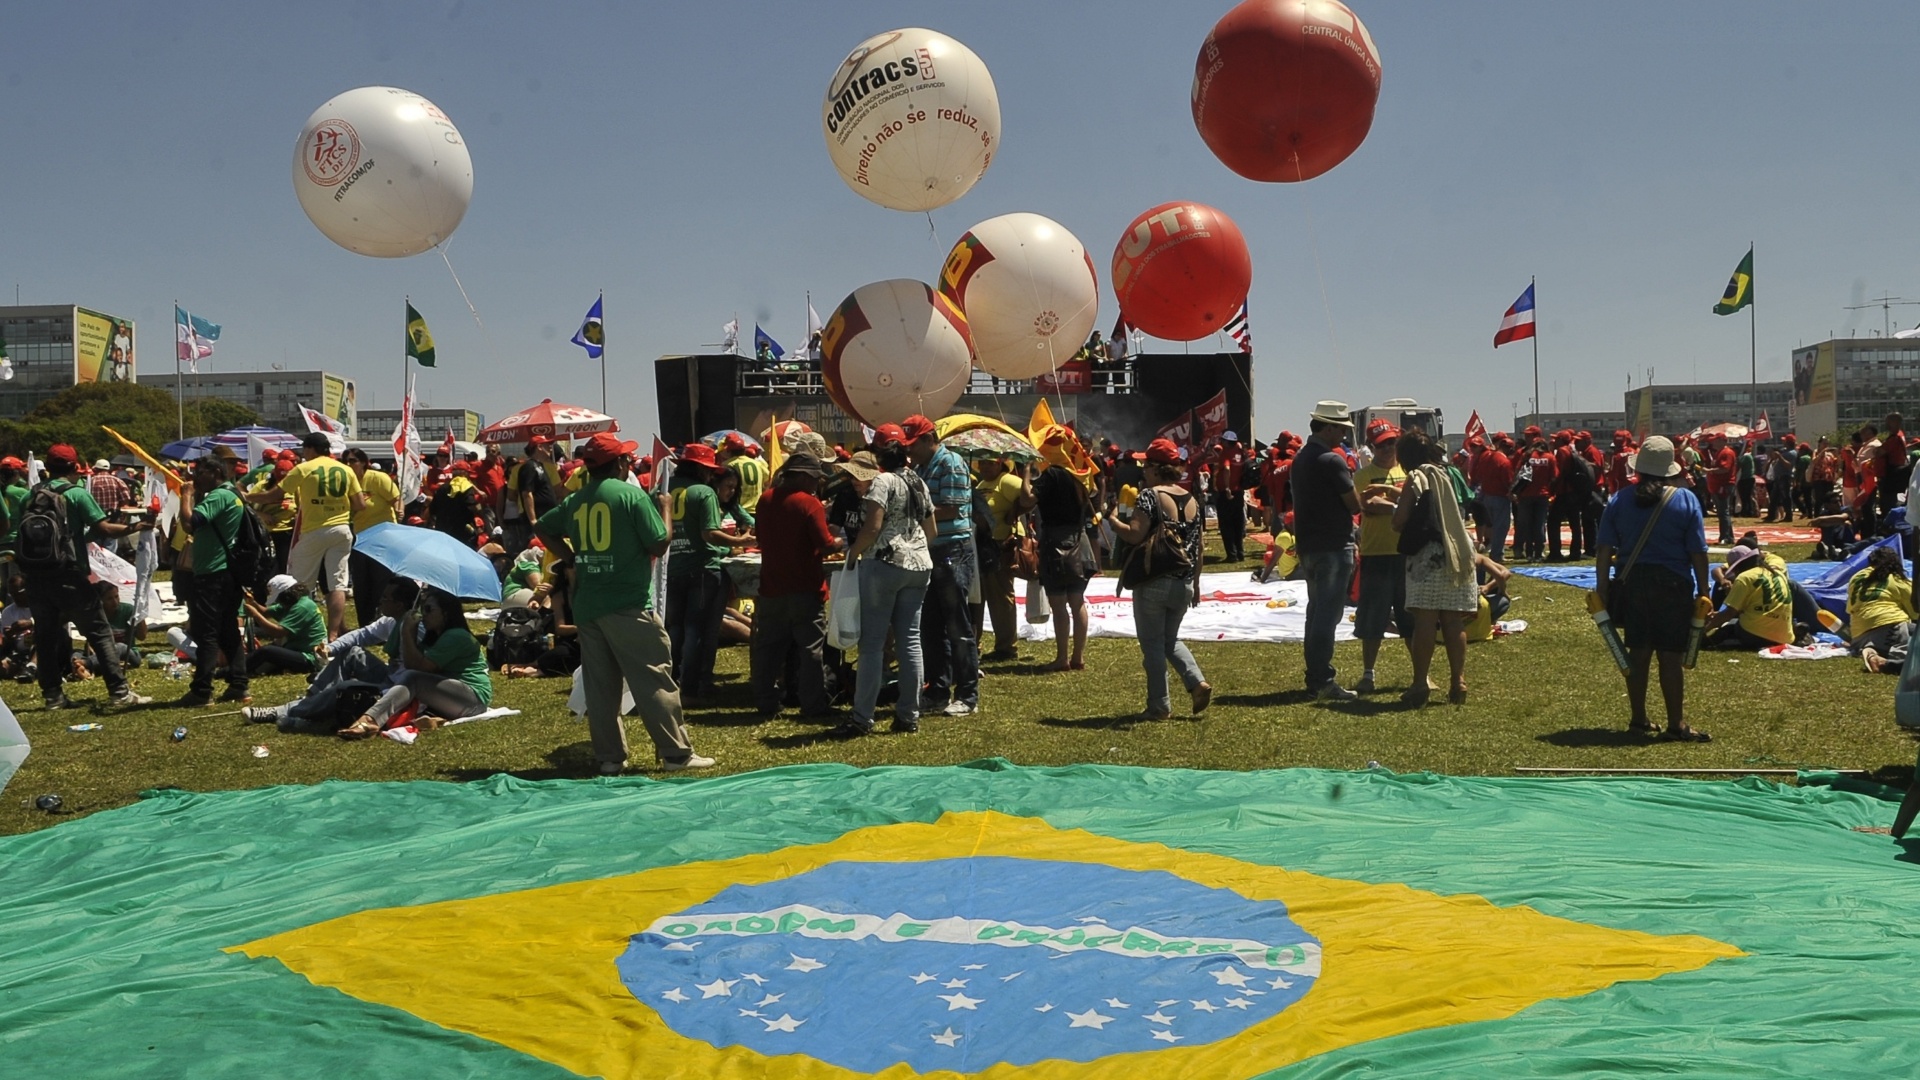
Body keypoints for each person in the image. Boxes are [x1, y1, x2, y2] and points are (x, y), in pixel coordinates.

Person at [535, 432, 711, 772]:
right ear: (618, 464)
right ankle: (676, 754)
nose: (629, 462)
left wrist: (570, 557)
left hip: (589, 604)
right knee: (653, 678)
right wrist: (666, 509)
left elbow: (542, 527)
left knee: (601, 688)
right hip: (628, 602)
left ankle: (609, 758)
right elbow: (660, 544)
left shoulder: (576, 500)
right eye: (626, 459)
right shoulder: (631, 496)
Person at [1594, 435, 1713, 741]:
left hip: (1633, 584)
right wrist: (1704, 589)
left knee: (1639, 653)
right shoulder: (1686, 500)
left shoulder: (1619, 500)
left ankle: (1638, 720)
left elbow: (1605, 548)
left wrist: (1603, 589)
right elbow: (1698, 552)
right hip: (1674, 584)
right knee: (1671, 657)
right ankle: (1676, 724)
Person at [21, 443, 153, 708]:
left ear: (48, 467)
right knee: (100, 632)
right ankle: (119, 692)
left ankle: (53, 696)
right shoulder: (76, 494)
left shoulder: (29, 496)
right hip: (69, 575)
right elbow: (104, 528)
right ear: (73, 468)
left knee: (46, 637)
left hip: (36, 576)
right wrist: (136, 526)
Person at [831, 441, 936, 737]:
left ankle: (862, 717)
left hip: (885, 562)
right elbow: (932, 530)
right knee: (910, 641)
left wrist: (853, 553)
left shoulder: (882, 481)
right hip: (919, 564)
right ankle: (908, 715)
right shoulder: (919, 482)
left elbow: (873, 526)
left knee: (872, 645)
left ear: (879, 461)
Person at [244, 578, 420, 733]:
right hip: (390, 675)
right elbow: (361, 635)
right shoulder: (391, 621)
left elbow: (417, 672)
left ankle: (283, 710)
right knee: (352, 652)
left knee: (345, 688)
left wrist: (407, 633)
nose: (380, 601)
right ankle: (311, 699)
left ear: (399, 605)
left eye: (385, 598)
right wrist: (329, 648)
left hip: (398, 689)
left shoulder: (416, 629)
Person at [1114, 438, 1210, 720]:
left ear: (1156, 469)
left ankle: (1159, 705)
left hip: (1154, 579)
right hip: (1184, 582)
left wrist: (1111, 521)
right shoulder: (1192, 498)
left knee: (1153, 645)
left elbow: (1134, 534)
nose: (1142, 470)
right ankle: (1196, 681)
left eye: (1145, 465)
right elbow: (1200, 546)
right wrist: (1197, 584)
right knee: (1170, 639)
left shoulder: (1149, 496)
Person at [1390, 428, 1479, 706]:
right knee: (1453, 620)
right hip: (1458, 550)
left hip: (1428, 555)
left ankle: (1419, 684)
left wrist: (1393, 511)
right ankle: (1458, 681)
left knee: (1425, 620)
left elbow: (1400, 520)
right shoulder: (1452, 473)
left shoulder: (1417, 476)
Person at [750, 452, 841, 716]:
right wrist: (837, 542)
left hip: (772, 587)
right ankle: (813, 705)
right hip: (805, 587)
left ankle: (766, 703)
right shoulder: (809, 503)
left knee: (768, 650)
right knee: (811, 650)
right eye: (815, 478)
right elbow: (824, 545)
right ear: (802, 476)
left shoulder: (765, 499)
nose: (817, 484)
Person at [338, 586, 493, 739]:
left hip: (473, 700)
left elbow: (418, 667)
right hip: (449, 695)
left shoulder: (456, 635)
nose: (423, 615)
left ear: (445, 613)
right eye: (422, 609)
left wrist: (407, 632)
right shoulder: (434, 635)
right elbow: (410, 662)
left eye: (429, 610)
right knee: (348, 686)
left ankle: (370, 720)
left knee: (414, 678)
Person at [664, 441, 752, 701]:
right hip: (703, 568)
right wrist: (740, 542)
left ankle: (670, 682)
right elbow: (709, 533)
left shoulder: (663, 489)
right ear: (701, 470)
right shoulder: (703, 492)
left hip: (672, 568)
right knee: (697, 631)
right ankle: (691, 687)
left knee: (674, 628)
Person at [904, 413, 979, 716]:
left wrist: (913, 510)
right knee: (930, 626)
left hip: (952, 550)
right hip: (931, 550)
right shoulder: (922, 466)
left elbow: (951, 508)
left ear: (928, 439)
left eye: (913, 444)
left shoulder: (951, 463)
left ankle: (968, 695)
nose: (909, 450)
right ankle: (937, 690)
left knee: (958, 626)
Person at [1291, 401, 1361, 700]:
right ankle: (1322, 678)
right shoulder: (1332, 460)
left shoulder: (1301, 458)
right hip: (1333, 544)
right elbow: (1353, 503)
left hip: (1309, 544)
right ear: (1328, 427)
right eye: (1342, 428)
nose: (1344, 433)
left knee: (1315, 611)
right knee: (1327, 615)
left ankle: (1316, 676)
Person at [269, 432, 366, 639]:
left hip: (314, 530)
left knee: (299, 584)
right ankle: (332, 634)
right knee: (337, 584)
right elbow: (360, 504)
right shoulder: (345, 469)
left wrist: (248, 496)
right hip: (341, 529)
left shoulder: (304, 468)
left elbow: (276, 494)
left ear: (310, 449)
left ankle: (299, 630)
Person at [174, 453, 252, 706]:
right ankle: (239, 683)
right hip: (227, 572)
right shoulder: (234, 494)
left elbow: (190, 523)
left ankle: (202, 690)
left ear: (216, 473)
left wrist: (185, 495)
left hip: (213, 574)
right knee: (228, 629)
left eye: (201, 472)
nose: (195, 477)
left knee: (205, 630)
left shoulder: (220, 496)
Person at [1353, 419, 1409, 694]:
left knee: (1411, 617)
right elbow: (1368, 505)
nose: (1388, 448)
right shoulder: (1363, 475)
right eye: (1382, 444)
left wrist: (1390, 503)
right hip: (1376, 553)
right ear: (1371, 446)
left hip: (1408, 554)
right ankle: (1368, 674)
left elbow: (1420, 503)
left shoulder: (1409, 471)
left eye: (1392, 442)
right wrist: (1402, 506)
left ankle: (1420, 674)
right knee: (1373, 619)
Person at [1032, 446, 1097, 672]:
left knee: (1059, 603)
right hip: (1080, 541)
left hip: (1056, 543)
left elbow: (1027, 498)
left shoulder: (1052, 474)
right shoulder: (1079, 474)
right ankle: (1078, 657)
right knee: (1077, 601)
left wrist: (1024, 474)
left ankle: (1062, 658)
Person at [972, 457, 1031, 660]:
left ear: (1001, 464)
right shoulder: (981, 484)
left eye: (991, 462)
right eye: (983, 463)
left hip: (1001, 546)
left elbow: (1029, 498)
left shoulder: (1006, 480)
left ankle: (1006, 648)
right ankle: (974, 645)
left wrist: (1013, 514)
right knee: (977, 599)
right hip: (982, 545)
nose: (985, 466)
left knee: (1000, 599)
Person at [344, 448, 401, 626]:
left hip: (383, 537)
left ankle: (383, 622)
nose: (348, 464)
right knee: (361, 583)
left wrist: (400, 511)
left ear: (363, 462)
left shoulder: (378, 478)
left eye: (352, 460)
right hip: (360, 538)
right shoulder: (346, 481)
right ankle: (365, 622)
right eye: (345, 461)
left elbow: (396, 499)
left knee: (381, 581)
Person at [1846, 545, 1914, 673]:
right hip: (1890, 629)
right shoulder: (1897, 580)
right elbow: (1915, 611)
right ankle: (1886, 663)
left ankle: (1873, 652)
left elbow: (1850, 608)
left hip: (1858, 636)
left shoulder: (1856, 577)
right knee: (1911, 655)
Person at [244, 574, 327, 677]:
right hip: (296, 650)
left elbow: (277, 632)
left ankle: (230, 671)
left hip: (310, 658)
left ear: (285, 594)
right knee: (267, 653)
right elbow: (266, 612)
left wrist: (255, 615)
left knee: (267, 651)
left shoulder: (302, 607)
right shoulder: (291, 603)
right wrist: (253, 603)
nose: (277, 602)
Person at [510, 436, 562, 551]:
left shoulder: (541, 466)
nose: (551, 448)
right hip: (537, 519)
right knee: (534, 549)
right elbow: (527, 493)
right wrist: (533, 520)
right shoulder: (529, 466)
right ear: (539, 447)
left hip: (545, 516)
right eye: (547, 445)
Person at [1470, 433, 1516, 564]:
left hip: (1487, 496)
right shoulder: (1504, 461)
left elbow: (1477, 475)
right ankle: (1497, 554)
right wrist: (1512, 493)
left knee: (1494, 527)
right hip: (1500, 497)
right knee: (1501, 527)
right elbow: (1508, 481)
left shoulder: (1487, 457)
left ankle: (1496, 552)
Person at [1208, 432, 1250, 562]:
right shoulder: (1241, 452)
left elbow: (1226, 469)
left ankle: (1232, 555)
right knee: (1238, 524)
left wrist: (1226, 488)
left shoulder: (1226, 453)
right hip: (1238, 492)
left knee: (1226, 525)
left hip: (1227, 493)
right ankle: (1240, 553)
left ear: (1226, 442)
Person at [719, 433, 768, 517]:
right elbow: (767, 481)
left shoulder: (727, 465)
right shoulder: (758, 464)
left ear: (729, 451)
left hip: (738, 510)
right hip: (756, 509)